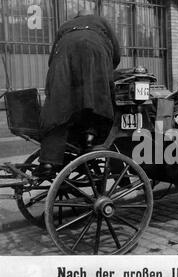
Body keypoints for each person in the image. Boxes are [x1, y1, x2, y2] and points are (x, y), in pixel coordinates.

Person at [34, 9, 121, 178]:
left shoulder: (65, 26)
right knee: (96, 98)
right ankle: (89, 139)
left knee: (57, 108)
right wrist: (107, 70)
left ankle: (48, 163)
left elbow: (51, 59)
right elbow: (115, 54)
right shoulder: (101, 22)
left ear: (76, 18)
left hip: (63, 56)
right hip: (95, 52)